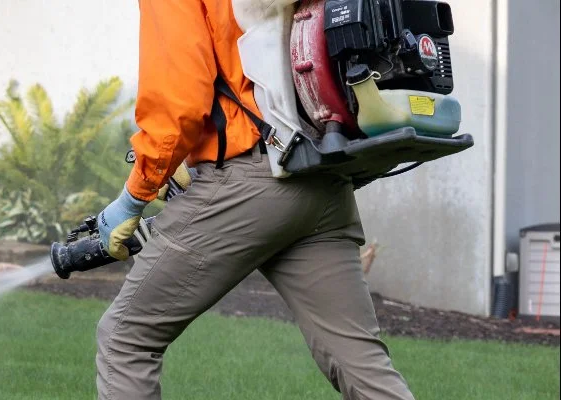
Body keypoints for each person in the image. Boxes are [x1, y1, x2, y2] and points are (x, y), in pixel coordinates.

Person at [93, 1, 415, 399]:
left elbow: (178, 105)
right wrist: (179, 158)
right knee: (362, 365)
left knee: (125, 337)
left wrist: (133, 197)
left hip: (249, 183)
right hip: (321, 176)